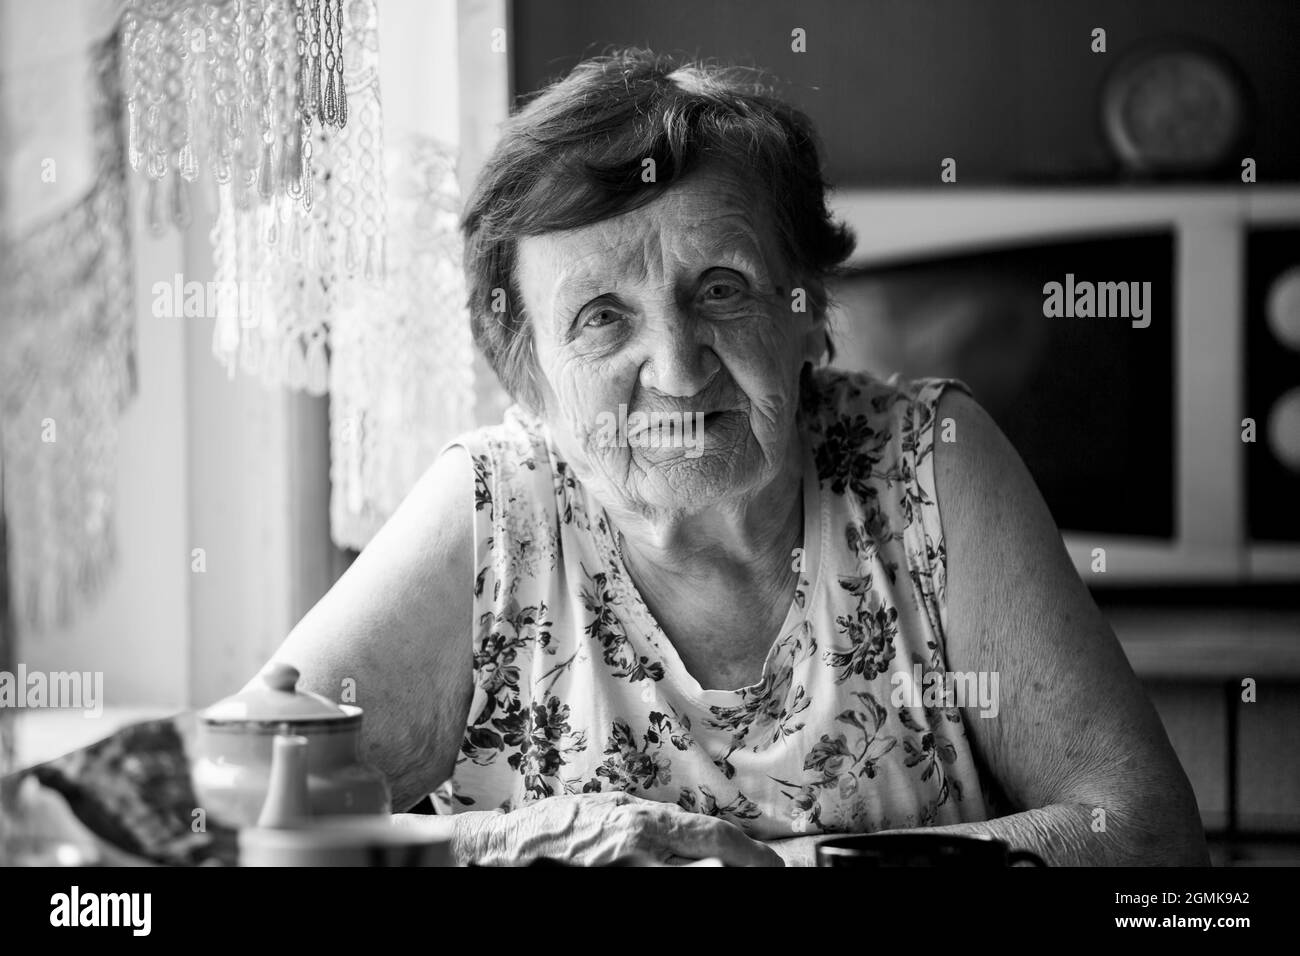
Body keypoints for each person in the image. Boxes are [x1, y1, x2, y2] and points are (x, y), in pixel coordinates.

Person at [262, 49, 1209, 866]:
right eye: (602, 318)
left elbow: (1144, 836)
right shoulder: (490, 513)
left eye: (721, 289)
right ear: (529, 375)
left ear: (809, 317)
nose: (676, 368)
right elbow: (224, 827)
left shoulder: (925, 463)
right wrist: (511, 844)